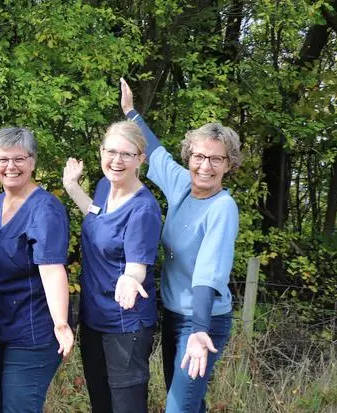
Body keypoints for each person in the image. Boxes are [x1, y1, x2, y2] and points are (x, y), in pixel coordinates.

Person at [120, 79, 240, 413]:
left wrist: (200, 330)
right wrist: (130, 111)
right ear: (189, 157)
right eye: (199, 156)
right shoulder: (182, 184)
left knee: (178, 407)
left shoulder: (222, 208)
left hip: (203, 320)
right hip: (173, 315)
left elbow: (207, 275)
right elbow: (155, 151)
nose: (205, 166)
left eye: (216, 159)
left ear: (229, 164)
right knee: (188, 402)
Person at [62, 120, 162, 413]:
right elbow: (98, 218)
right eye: (111, 152)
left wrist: (130, 279)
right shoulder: (105, 186)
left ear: (140, 159)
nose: (117, 160)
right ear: (101, 152)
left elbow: (137, 266)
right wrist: (72, 187)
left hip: (124, 324)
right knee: (101, 403)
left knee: (126, 407)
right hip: (93, 317)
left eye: (127, 154)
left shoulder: (143, 209)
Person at [0, 127, 75, 413]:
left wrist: (61, 323)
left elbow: (52, 270)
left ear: (33, 162)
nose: (11, 166)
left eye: (19, 159)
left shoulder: (45, 209)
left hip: (33, 332)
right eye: (3, 159)